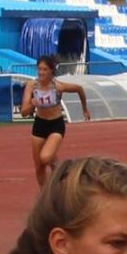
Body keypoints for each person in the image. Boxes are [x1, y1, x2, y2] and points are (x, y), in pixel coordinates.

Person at [19, 56, 90, 187]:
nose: (41, 72)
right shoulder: (32, 85)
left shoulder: (58, 87)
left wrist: (85, 109)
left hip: (55, 125)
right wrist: (32, 104)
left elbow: (79, 89)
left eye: (45, 69)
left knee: (45, 157)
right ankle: (45, 194)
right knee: (39, 167)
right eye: (39, 69)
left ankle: (59, 166)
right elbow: (24, 112)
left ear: (51, 71)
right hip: (39, 125)